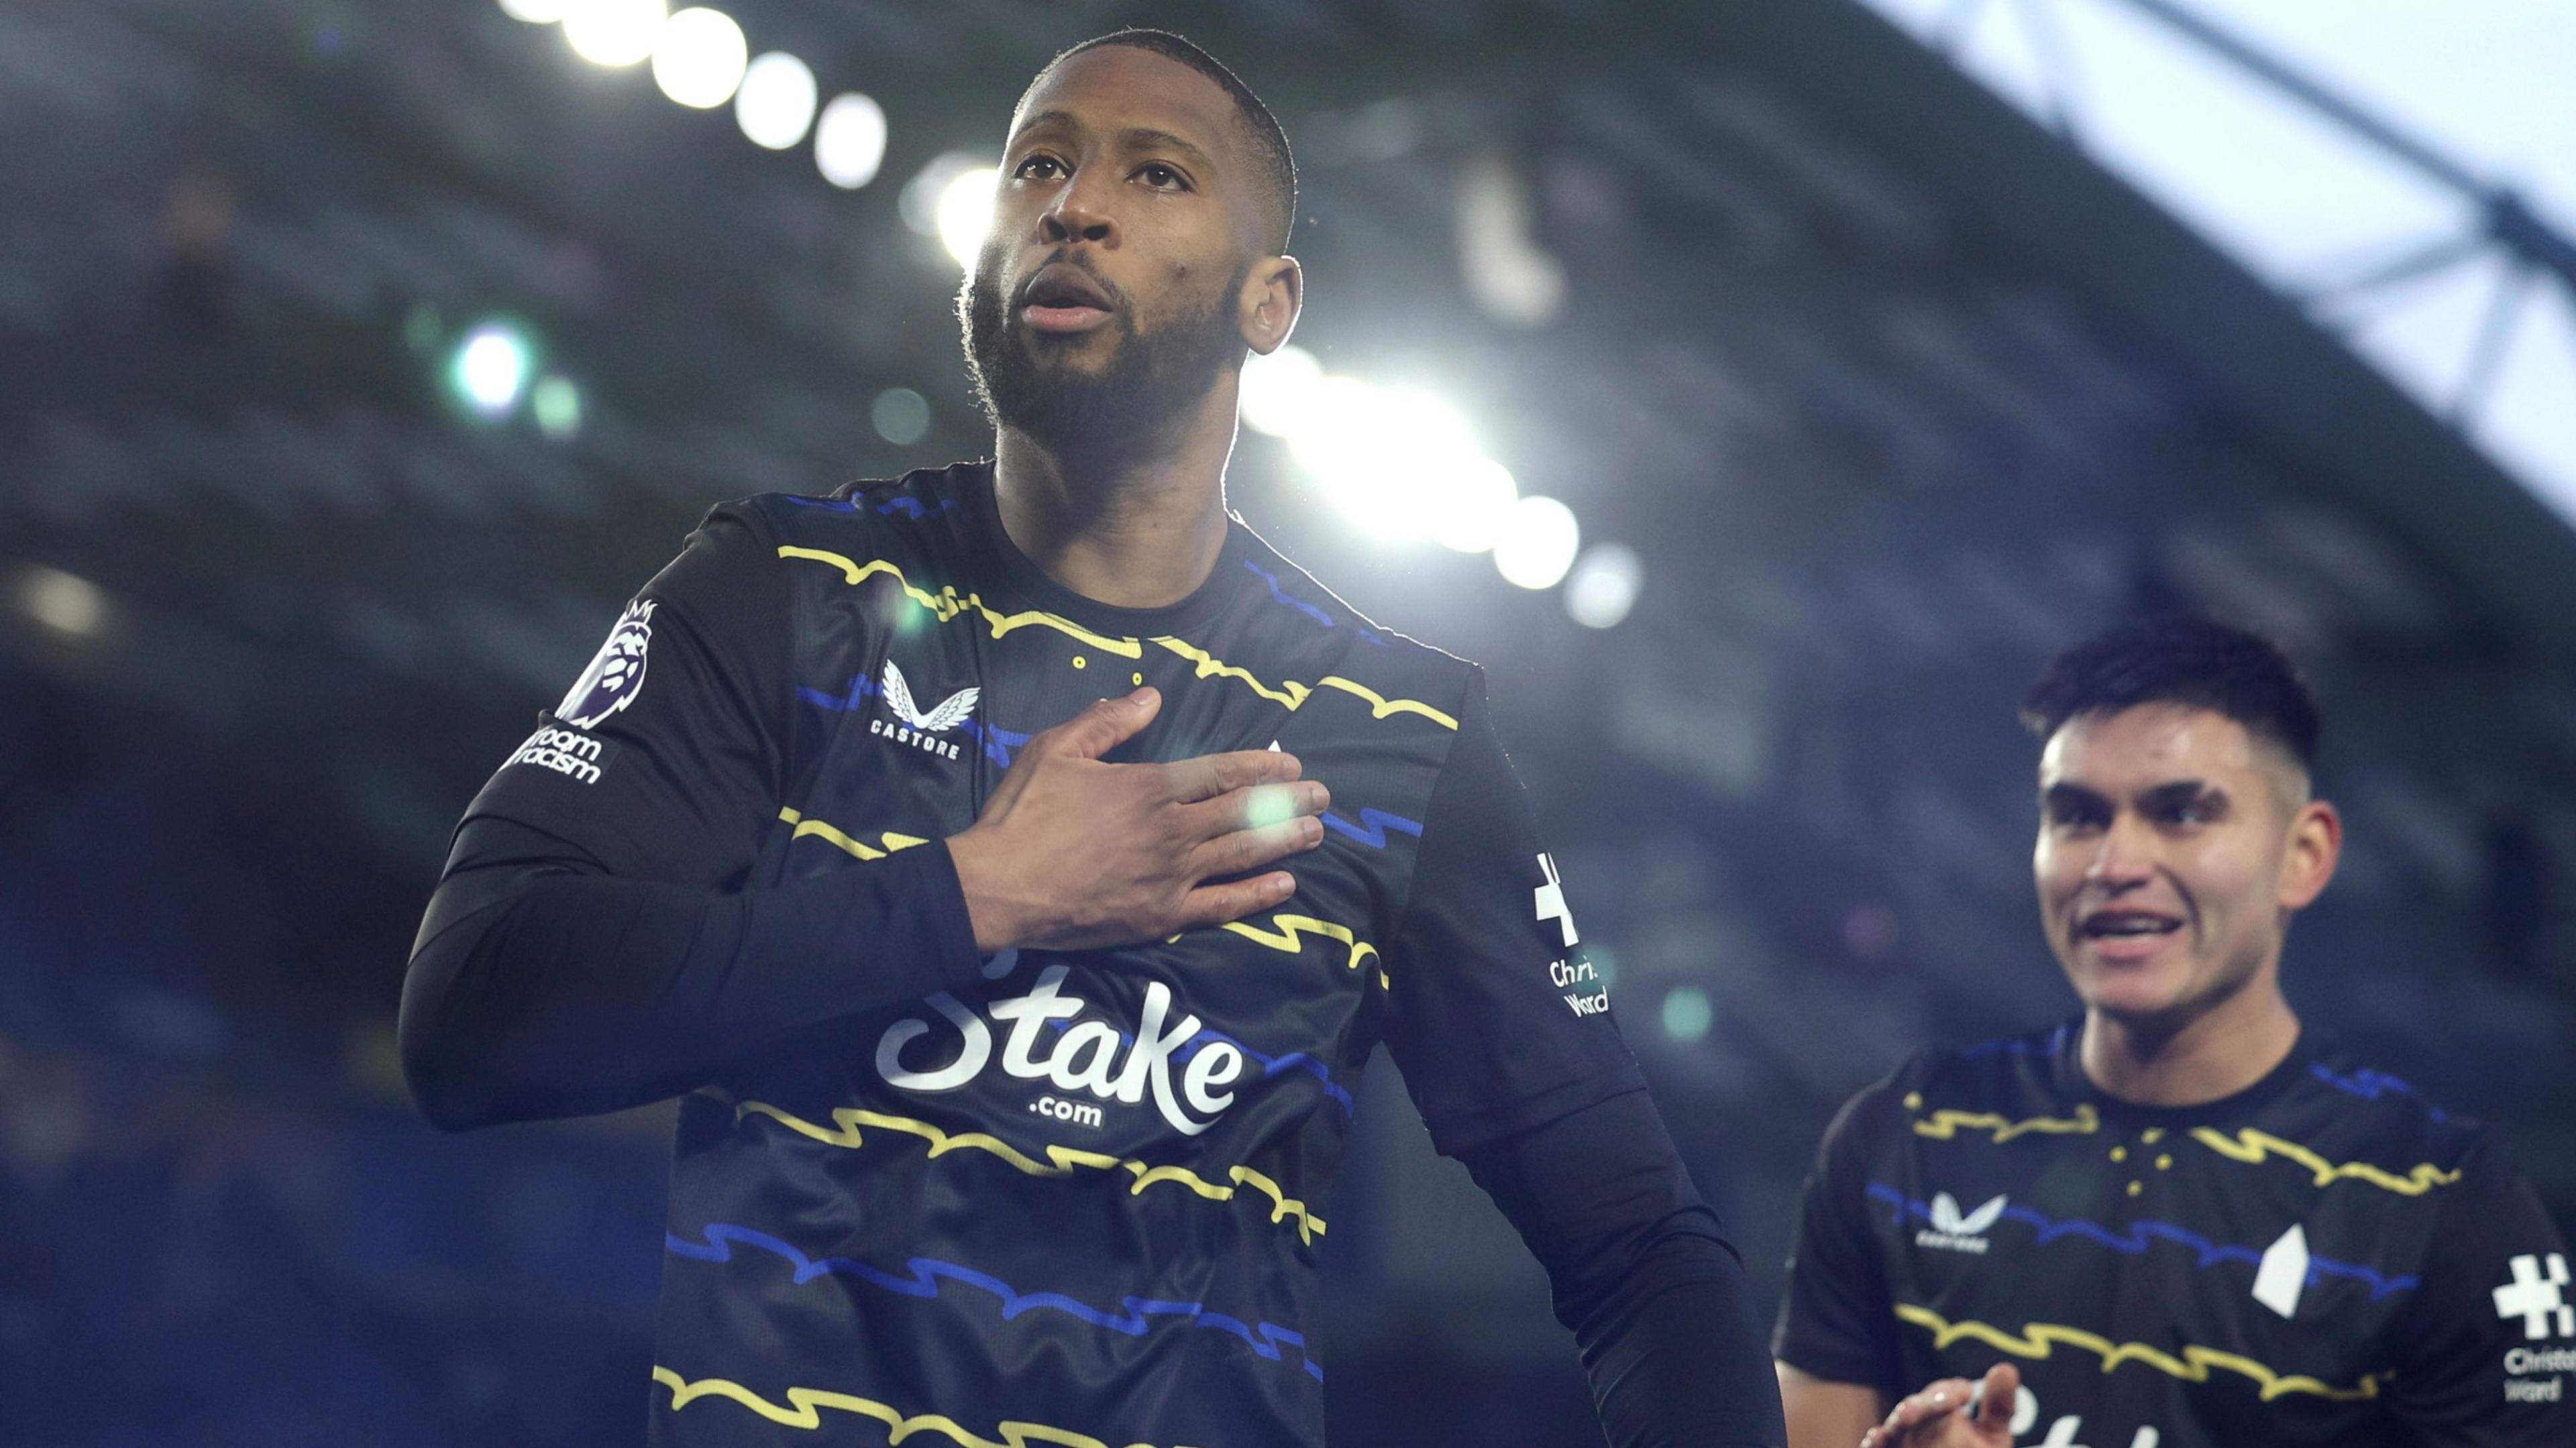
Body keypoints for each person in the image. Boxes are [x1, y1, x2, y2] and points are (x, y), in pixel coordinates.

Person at [398, 28, 1785, 1448]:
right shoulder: (786, 595)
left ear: (1270, 303)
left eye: (1158, 174)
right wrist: (978, 894)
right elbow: (471, 1015)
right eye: (1038, 164)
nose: (1075, 203)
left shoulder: (1402, 736)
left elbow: (1645, 1251)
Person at [1772, 617, 2575, 1448]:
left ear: (2304, 853)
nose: (2113, 863)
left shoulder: (2445, 1206)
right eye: (2077, 815)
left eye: (2182, 812)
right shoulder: (1903, 1136)